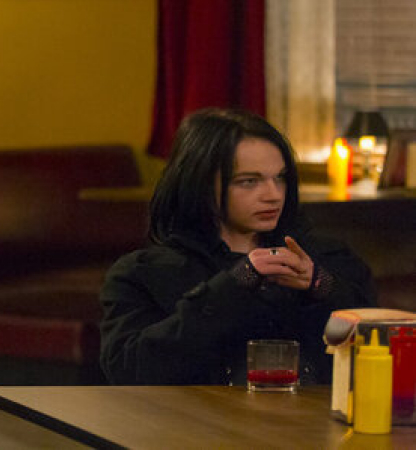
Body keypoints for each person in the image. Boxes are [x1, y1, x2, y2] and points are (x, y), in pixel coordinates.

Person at [100, 108, 376, 385]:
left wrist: (319, 284)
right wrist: (234, 285)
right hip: (198, 413)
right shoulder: (143, 273)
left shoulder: (325, 257)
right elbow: (128, 371)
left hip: (313, 412)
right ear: (200, 184)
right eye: (249, 181)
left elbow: (375, 342)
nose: (273, 195)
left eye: (280, 178)